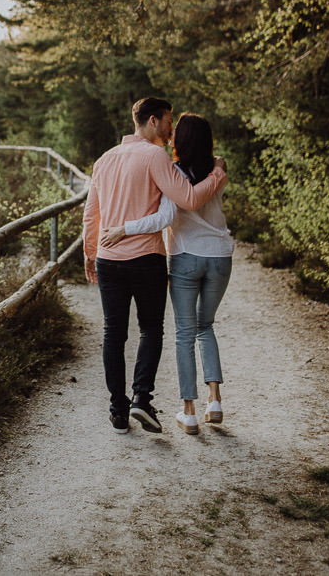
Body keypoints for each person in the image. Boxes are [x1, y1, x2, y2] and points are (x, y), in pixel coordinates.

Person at [83, 98, 227, 435]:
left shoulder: (104, 160)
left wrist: (91, 254)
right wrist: (218, 171)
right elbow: (189, 199)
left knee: (113, 333)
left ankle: (118, 410)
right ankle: (141, 399)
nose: (170, 128)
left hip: (109, 258)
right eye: (167, 121)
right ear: (152, 120)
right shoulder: (154, 157)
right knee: (150, 329)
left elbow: (92, 212)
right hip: (146, 258)